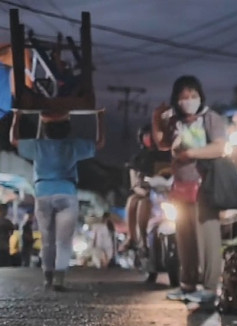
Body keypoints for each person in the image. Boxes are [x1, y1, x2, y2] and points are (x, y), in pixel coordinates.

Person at [152, 75, 226, 308]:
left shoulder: (211, 119)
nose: (188, 101)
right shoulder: (175, 121)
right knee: (185, 236)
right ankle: (188, 283)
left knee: (208, 237)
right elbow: (163, 143)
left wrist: (191, 154)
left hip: (205, 185)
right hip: (181, 186)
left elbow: (219, 147)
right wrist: (157, 119)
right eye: (183, 97)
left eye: (193, 96)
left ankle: (210, 287)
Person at [11, 109, 105, 289]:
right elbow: (100, 143)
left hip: (43, 194)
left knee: (47, 239)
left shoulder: (37, 145)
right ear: (67, 129)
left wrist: (17, 116)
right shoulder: (73, 145)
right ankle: (60, 277)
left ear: (45, 130)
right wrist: (100, 117)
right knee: (64, 240)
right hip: (67, 194)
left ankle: (48, 276)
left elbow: (13, 140)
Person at [120, 124, 171, 254]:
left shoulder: (169, 154)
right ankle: (136, 238)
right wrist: (145, 192)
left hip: (169, 192)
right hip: (148, 194)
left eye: (153, 135)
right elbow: (135, 184)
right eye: (147, 135)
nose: (151, 138)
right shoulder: (137, 159)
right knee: (135, 201)